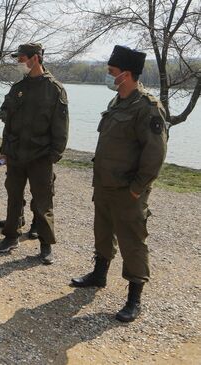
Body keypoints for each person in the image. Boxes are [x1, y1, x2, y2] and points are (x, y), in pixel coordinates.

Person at [71, 45, 168, 323]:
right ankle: (99, 274)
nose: (108, 76)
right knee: (102, 232)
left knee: (132, 242)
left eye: (112, 72)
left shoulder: (147, 108)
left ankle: (134, 298)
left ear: (126, 74)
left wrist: (137, 189)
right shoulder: (117, 102)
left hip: (128, 190)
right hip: (104, 185)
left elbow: (155, 156)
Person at [0, 43, 69, 265]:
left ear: (35, 58)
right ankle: (11, 236)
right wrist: (4, 152)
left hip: (41, 156)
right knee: (14, 196)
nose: (19, 63)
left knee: (43, 201)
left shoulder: (54, 89)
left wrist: (54, 155)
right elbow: (8, 124)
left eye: (22, 58)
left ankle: (45, 246)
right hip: (16, 154)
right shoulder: (18, 87)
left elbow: (61, 126)